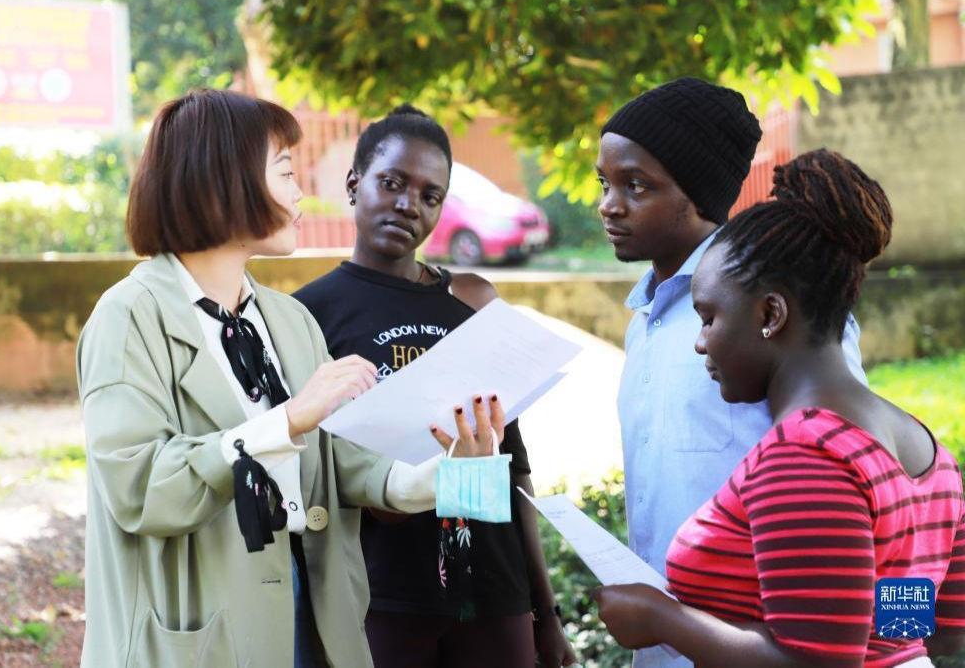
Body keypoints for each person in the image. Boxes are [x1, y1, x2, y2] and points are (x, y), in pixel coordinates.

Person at [76, 90, 505, 668]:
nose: (301, 192)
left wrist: (460, 475)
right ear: (222, 179)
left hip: (314, 609)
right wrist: (289, 418)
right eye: (284, 171)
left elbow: (351, 469)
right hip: (202, 627)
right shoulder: (128, 316)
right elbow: (141, 488)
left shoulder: (288, 320)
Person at [595, 149, 965, 666]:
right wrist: (863, 630)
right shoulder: (928, 450)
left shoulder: (805, 455)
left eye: (708, 318)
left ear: (771, 313)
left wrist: (662, 619)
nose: (701, 343)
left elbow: (817, 664)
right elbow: (933, 634)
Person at [294, 105, 577, 668]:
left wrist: (544, 613)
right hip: (385, 596)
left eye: (430, 194)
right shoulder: (309, 313)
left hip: (493, 594)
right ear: (354, 185)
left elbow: (512, 465)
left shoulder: (471, 300)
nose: (409, 205)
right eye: (392, 183)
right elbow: (315, 473)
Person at [597, 77, 867, 666]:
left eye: (635, 185)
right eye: (605, 183)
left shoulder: (780, 307)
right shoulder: (644, 319)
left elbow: (875, 494)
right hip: (665, 649)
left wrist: (896, 644)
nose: (608, 204)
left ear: (694, 195)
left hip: (764, 649)